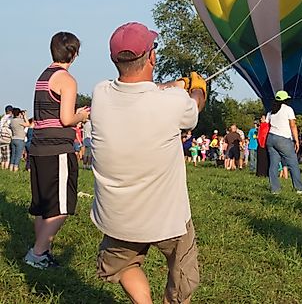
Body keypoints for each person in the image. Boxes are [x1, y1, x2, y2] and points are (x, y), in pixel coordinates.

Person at [90, 21, 206, 303]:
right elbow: (194, 107)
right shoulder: (174, 102)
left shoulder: (100, 94)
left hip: (117, 217)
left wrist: (173, 86)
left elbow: (143, 91)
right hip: (168, 220)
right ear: (152, 57)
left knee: (123, 265)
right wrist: (196, 88)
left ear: (113, 59)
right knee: (183, 279)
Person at [24, 32, 90, 269]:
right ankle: (37, 253)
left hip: (39, 147)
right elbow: (66, 118)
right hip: (57, 149)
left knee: (42, 207)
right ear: (73, 53)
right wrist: (81, 115)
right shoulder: (67, 80)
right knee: (61, 206)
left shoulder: (43, 76)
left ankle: (43, 252)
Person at [267, 90, 302, 196]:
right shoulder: (288, 109)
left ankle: (275, 189)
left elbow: (266, 124)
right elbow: (293, 125)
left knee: (273, 164)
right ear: (286, 100)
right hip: (283, 139)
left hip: (271, 138)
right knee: (293, 164)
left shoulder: (271, 111)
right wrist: (296, 140)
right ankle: (299, 188)